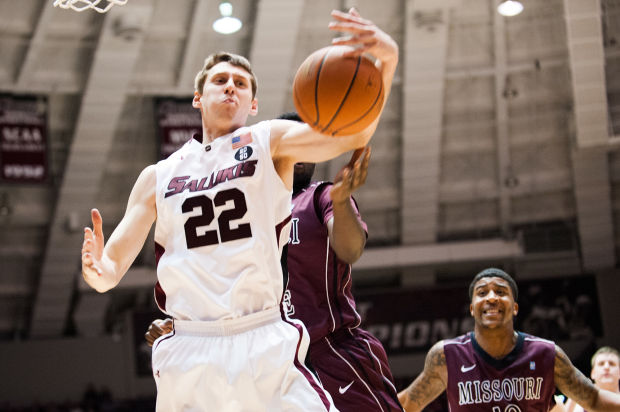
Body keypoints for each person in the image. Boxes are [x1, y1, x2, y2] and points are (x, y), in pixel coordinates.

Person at [81, 6, 398, 412]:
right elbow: (110, 273)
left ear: (253, 103)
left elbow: (350, 134)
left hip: (261, 335)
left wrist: (385, 61)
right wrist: (96, 270)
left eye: (241, 83)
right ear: (198, 98)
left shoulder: (270, 141)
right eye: (220, 80)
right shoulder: (158, 177)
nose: (230, 87)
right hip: (190, 349)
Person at [147, 112, 402, 412]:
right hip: (271, 362)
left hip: (331, 349)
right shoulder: (250, 209)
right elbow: (221, 284)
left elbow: (351, 250)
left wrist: (342, 199)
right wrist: (187, 329)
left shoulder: (319, 196)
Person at [397, 268, 620, 412]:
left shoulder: (547, 354)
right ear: (473, 309)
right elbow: (408, 404)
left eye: (501, 292)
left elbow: (594, 399)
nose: (492, 297)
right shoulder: (446, 356)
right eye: (482, 293)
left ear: (514, 308)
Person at [552, 346, 620, 412]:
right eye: (601, 364)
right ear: (593, 373)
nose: (606, 367)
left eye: (612, 364)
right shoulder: (576, 397)